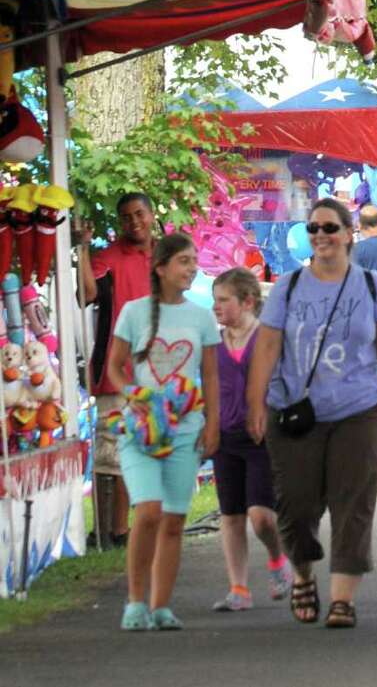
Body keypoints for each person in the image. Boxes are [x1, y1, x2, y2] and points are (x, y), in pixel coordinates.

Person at [246, 197, 377, 630]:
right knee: (297, 505)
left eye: (329, 228)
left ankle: (343, 599)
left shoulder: (371, 286)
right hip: (294, 411)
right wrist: (254, 404)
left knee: (354, 501)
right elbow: (267, 347)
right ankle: (303, 574)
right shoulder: (288, 287)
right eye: (314, 229)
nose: (321, 236)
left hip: (359, 410)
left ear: (348, 234)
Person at [106, 232, 220, 631]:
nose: (191, 269)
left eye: (193, 261)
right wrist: (133, 394)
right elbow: (114, 368)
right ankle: (134, 602)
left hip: (187, 429)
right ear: (161, 268)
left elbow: (210, 374)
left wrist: (212, 425)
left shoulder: (202, 315)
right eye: (184, 262)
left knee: (174, 519)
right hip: (140, 430)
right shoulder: (134, 312)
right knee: (149, 511)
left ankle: (161, 605)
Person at [210, 267, 291, 612]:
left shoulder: (267, 338)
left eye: (223, 300)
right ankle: (238, 588)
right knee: (230, 515)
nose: (216, 307)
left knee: (261, 516)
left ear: (247, 301)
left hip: (262, 437)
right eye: (214, 300)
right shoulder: (213, 343)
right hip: (225, 435)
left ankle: (277, 559)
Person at [79, 192, 156, 546]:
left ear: (151, 215)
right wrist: (81, 249)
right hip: (115, 370)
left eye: (139, 214)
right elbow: (86, 294)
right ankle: (106, 530)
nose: (134, 222)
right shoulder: (107, 257)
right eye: (126, 217)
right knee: (111, 456)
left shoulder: (166, 255)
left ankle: (124, 530)